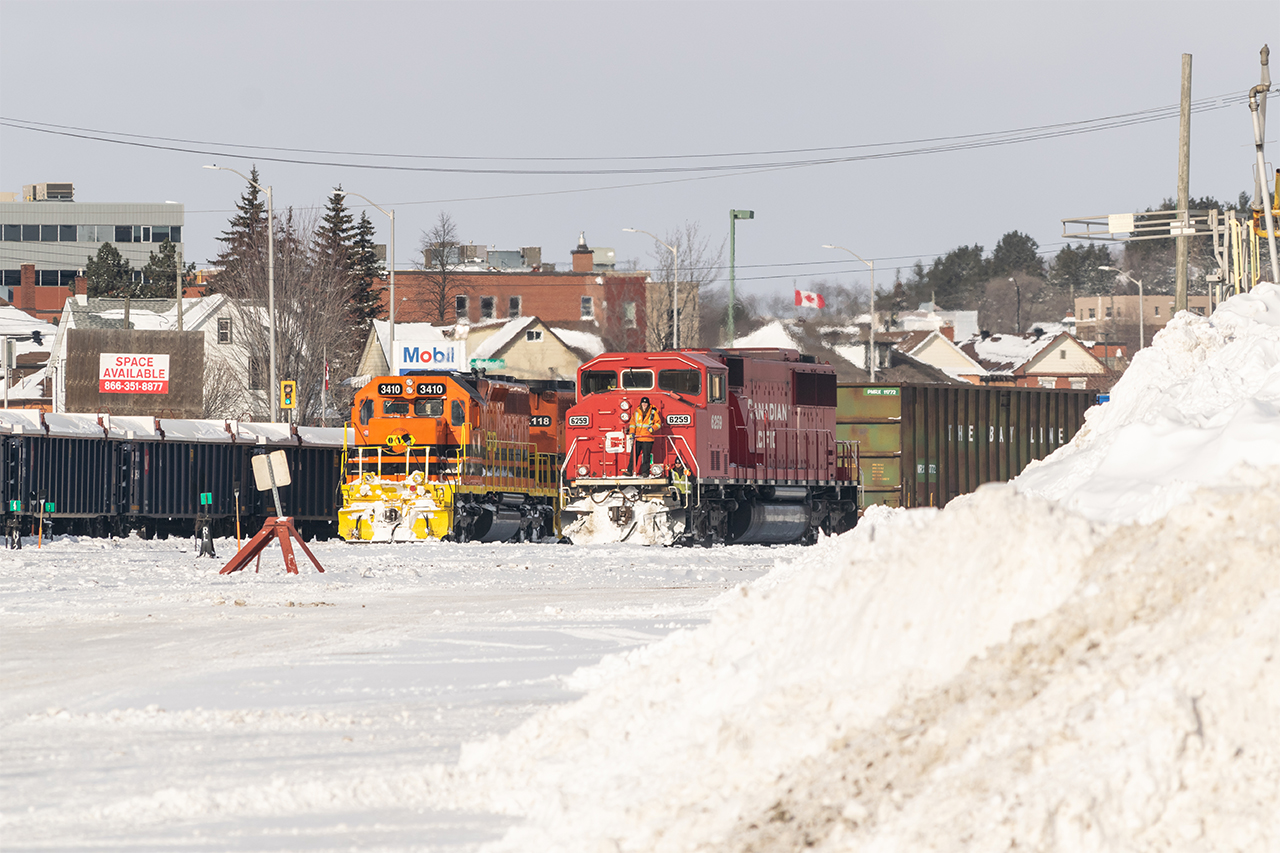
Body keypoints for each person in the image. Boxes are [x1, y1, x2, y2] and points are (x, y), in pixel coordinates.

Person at [626, 396, 660, 475]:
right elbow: (632, 424)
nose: (644, 404)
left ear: (648, 404)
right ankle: (629, 471)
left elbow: (658, 423)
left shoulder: (653, 412)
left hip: (648, 438)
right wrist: (631, 433)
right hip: (638, 438)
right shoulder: (636, 412)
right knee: (633, 456)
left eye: (646, 403)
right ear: (641, 403)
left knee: (646, 456)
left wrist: (653, 428)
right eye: (643, 403)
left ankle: (645, 472)